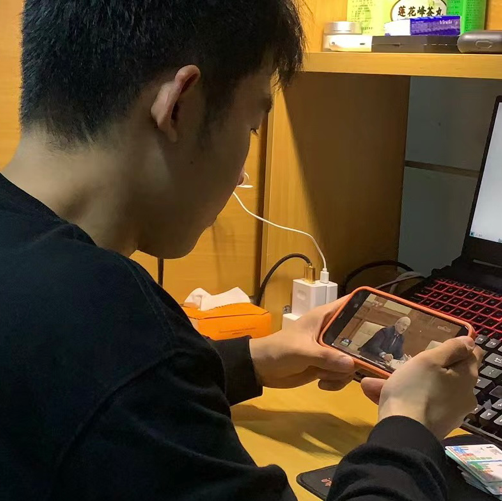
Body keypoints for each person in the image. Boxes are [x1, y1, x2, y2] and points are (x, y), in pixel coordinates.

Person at [0, 2, 481, 500]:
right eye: (252, 126)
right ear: (180, 105)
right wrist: (411, 425)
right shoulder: (110, 321)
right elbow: (121, 374)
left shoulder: (58, 300)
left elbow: (88, 389)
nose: (242, 174)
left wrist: (249, 360)